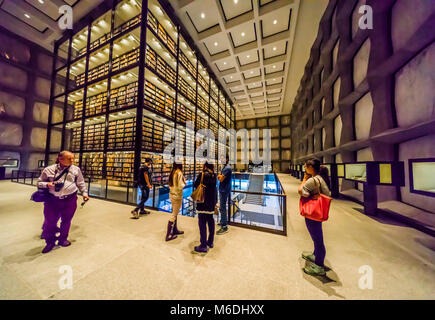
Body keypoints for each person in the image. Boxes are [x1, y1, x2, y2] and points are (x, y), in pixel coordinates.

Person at [37, 151, 89, 254]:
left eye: (72, 158)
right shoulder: (49, 170)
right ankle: (50, 242)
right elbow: (39, 183)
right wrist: (47, 184)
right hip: (52, 200)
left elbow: (80, 182)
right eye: (69, 159)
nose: (72, 161)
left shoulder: (75, 169)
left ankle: (63, 239)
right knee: (50, 221)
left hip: (70, 199)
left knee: (66, 220)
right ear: (60, 159)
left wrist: (84, 193)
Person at [298, 159, 331, 276]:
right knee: (317, 237)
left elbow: (302, 192)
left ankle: (319, 266)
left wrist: (303, 180)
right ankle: (315, 255)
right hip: (318, 212)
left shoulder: (312, 180)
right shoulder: (320, 178)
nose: (305, 168)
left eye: (306, 166)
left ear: (311, 168)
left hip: (313, 213)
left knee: (318, 240)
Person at [193, 162, 217, 253]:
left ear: (205, 166)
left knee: (202, 222)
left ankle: (203, 245)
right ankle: (210, 242)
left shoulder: (202, 174)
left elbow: (195, 185)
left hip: (203, 202)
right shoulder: (214, 175)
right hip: (211, 202)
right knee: (211, 221)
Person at [166, 162, 186, 241]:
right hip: (177, 196)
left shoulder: (172, 172)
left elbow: (170, 184)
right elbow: (181, 186)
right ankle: (168, 235)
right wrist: (184, 182)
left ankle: (175, 230)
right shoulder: (179, 173)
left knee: (174, 213)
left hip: (171, 194)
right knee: (174, 215)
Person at [216, 155, 232, 235]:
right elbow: (220, 177)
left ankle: (224, 226)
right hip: (223, 189)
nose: (221, 159)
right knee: (222, 207)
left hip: (224, 190)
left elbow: (220, 178)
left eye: (223, 158)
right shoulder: (224, 167)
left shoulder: (227, 168)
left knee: (222, 207)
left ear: (227, 159)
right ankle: (223, 221)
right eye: (221, 158)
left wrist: (219, 176)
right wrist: (219, 175)